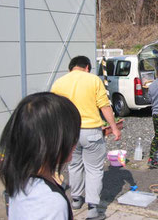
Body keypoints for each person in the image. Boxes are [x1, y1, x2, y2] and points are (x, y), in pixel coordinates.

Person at [51, 56, 121, 220]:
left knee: (74, 165)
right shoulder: (93, 80)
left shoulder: (59, 83)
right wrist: (114, 127)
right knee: (94, 169)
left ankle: (76, 199)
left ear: (71, 68)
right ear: (87, 67)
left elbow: (53, 109)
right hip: (91, 132)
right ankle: (92, 209)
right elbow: (104, 105)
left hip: (69, 132)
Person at [0, 92, 81, 220]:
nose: (75, 141)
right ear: (51, 142)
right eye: (72, 135)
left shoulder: (21, 179)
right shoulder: (51, 203)